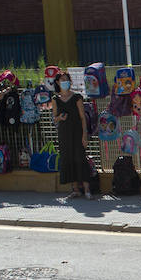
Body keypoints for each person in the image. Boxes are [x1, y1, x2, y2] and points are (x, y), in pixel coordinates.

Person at [52, 70, 93, 199]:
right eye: (62, 80)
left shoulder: (77, 97)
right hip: (64, 134)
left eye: (67, 79)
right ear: (58, 82)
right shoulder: (55, 99)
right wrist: (60, 118)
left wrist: (84, 135)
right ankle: (75, 189)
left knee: (80, 158)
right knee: (68, 159)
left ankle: (87, 190)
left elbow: (82, 118)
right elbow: (54, 118)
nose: (65, 82)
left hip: (77, 132)